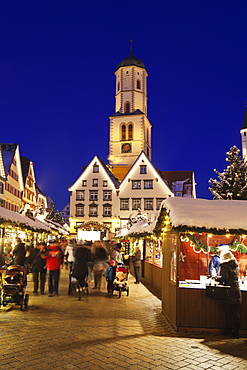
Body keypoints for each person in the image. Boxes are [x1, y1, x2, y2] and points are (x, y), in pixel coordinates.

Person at [215, 248, 242, 338]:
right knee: (235, 313)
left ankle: (229, 332)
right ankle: (236, 333)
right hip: (236, 290)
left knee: (228, 313)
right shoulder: (236, 265)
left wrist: (215, 278)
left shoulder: (224, 266)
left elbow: (224, 278)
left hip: (228, 291)